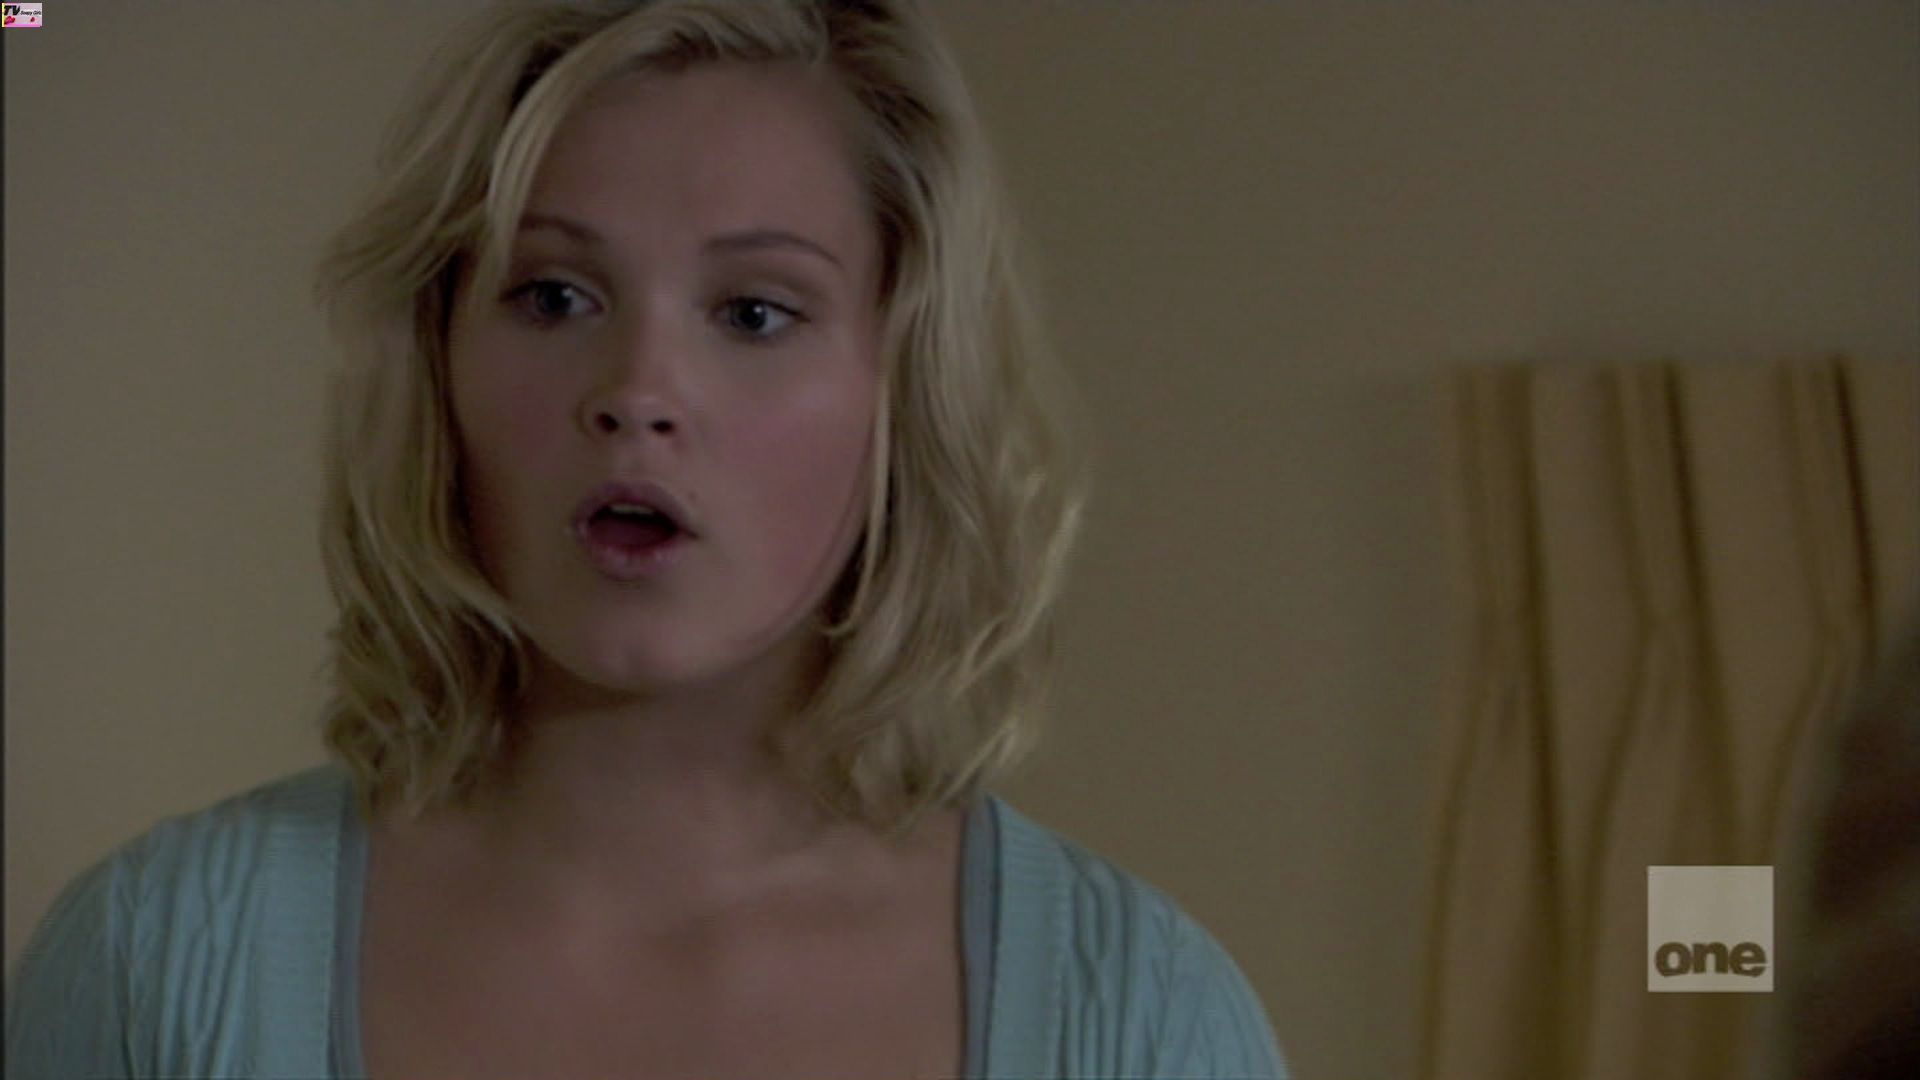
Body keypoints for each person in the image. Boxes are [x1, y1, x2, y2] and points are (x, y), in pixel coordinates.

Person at [5, 2, 1290, 1076]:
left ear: (906, 387)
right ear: (439, 364)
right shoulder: (152, 965)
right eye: (554, 295)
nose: (637, 390)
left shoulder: (1142, 1019)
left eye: (754, 312)